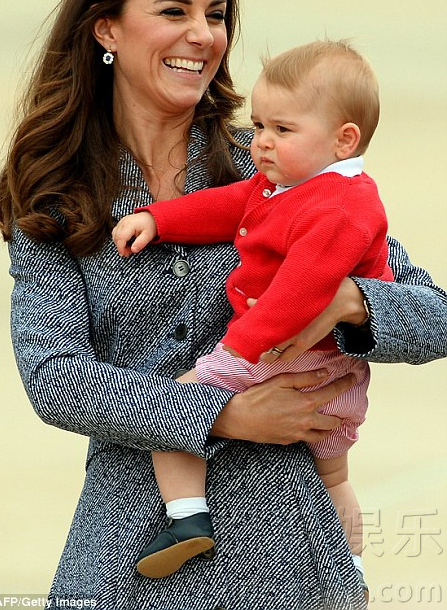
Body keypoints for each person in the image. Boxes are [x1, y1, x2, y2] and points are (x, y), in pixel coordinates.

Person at [0, 0, 446, 610]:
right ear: (106, 28)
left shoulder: (279, 158)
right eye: (174, 12)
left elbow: (435, 315)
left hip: (289, 559)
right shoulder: (60, 192)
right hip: (126, 562)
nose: (202, 36)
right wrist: (223, 414)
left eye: (216, 14)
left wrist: (350, 303)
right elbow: (54, 377)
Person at [112, 40, 393, 593]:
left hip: (289, 361)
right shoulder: (293, 183)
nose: (261, 141)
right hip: (331, 380)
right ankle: (349, 566)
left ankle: (186, 517)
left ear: (344, 139)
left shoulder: (337, 207)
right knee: (335, 482)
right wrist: (159, 218)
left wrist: (236, 350)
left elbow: (297, 294)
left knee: (175, 405)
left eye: (282, 130)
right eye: (259, 124)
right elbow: (229, 205)